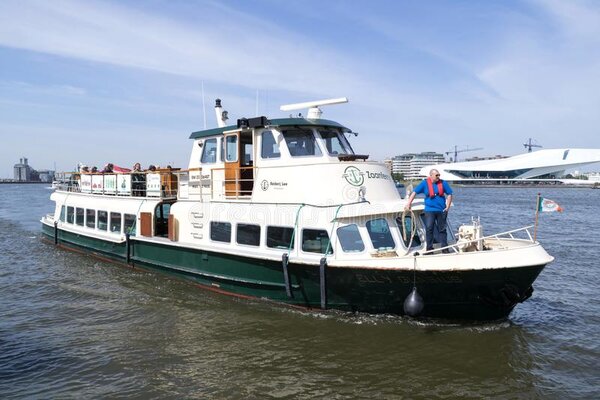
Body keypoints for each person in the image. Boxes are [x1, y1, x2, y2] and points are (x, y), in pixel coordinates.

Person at [404, 169, 453, 253]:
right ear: (431, 175)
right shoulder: (424, 183)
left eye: (439, 175)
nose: (438, 176)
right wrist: (409, 203)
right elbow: (414, 192)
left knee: (442, 230)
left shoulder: (443, 183)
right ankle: (429, 249)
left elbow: (449, 194)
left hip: (442, 210)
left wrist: (447, 207)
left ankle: (445, 249)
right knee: (429, 229)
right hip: (430, 210)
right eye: (436, 175)